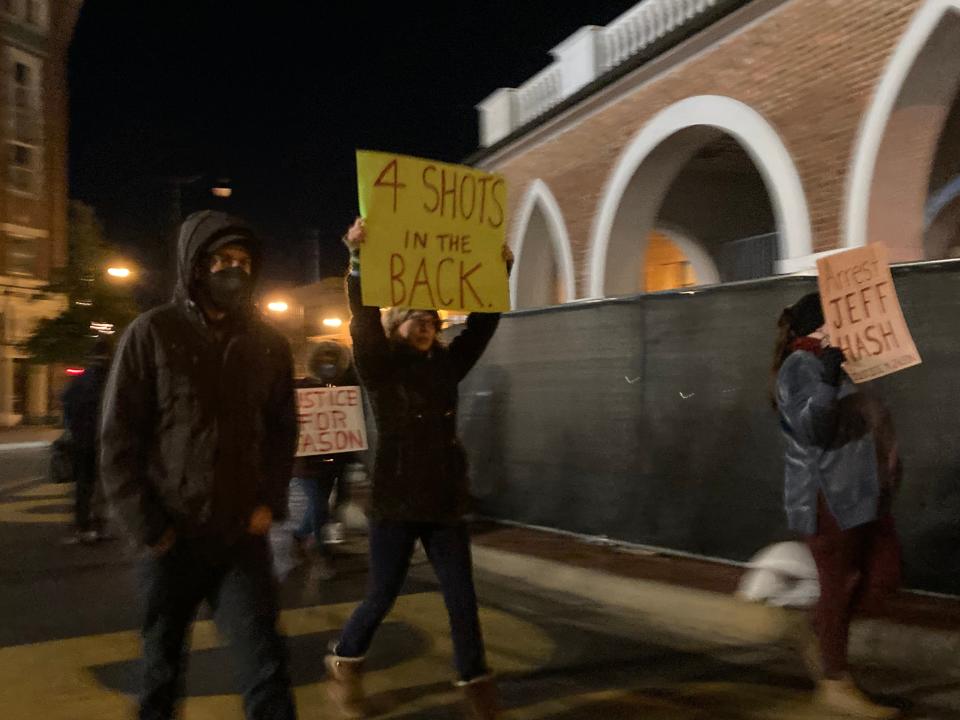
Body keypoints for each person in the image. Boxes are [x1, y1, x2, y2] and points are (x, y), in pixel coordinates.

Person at [100, 210, 299, 720]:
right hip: (170, 538)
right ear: (195, 266)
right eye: (221, 260)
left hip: (240, 538)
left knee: (266, 665)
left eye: (243, 262)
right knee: (160, 670)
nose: (234, 271)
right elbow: (119, 438)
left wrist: (268, 502)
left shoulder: (269, 345)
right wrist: (150, 527)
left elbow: (282, 430)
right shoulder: (151, 334)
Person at [324, 217, 511, 720]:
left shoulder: (447, 366)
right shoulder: (381, 368)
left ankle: (475, 679)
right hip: (397, 501)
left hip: (445, 499)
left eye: (431, 317)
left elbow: (482, 326)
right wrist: (358, 262)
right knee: (383, 592)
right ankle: (346, 656)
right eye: (416, 318)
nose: (427, 323)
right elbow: (362, 321)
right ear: (396, 325)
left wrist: (498, 274)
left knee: (462, 596)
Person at [772, 291, 902, 719]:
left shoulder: (849, 361)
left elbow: (869, 418)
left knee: (885, 574)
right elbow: (812, 429)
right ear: (820, 325)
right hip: (828, 495)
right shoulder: (800, 366)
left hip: (865, 492)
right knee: (840, 583)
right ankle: (835, 681)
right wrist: (828, 381)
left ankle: (822, 630)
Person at [291, 340, 362, 574]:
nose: (328, 363)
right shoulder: (301, 389)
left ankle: (300, 535)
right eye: (324, 357)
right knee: (319, 505)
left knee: (332, 504)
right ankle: (322, 555)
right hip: (307, 463)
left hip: (335, 460)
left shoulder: (345, 387)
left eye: (333, 358)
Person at [61, 338, 112, 544]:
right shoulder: (111, 379)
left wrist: (72, 429)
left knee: (84, 485)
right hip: (106, 441)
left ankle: (82, 527)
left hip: (83, 440)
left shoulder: (80, 381)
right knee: (103, 486)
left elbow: (67, 404)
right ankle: (98, 526)